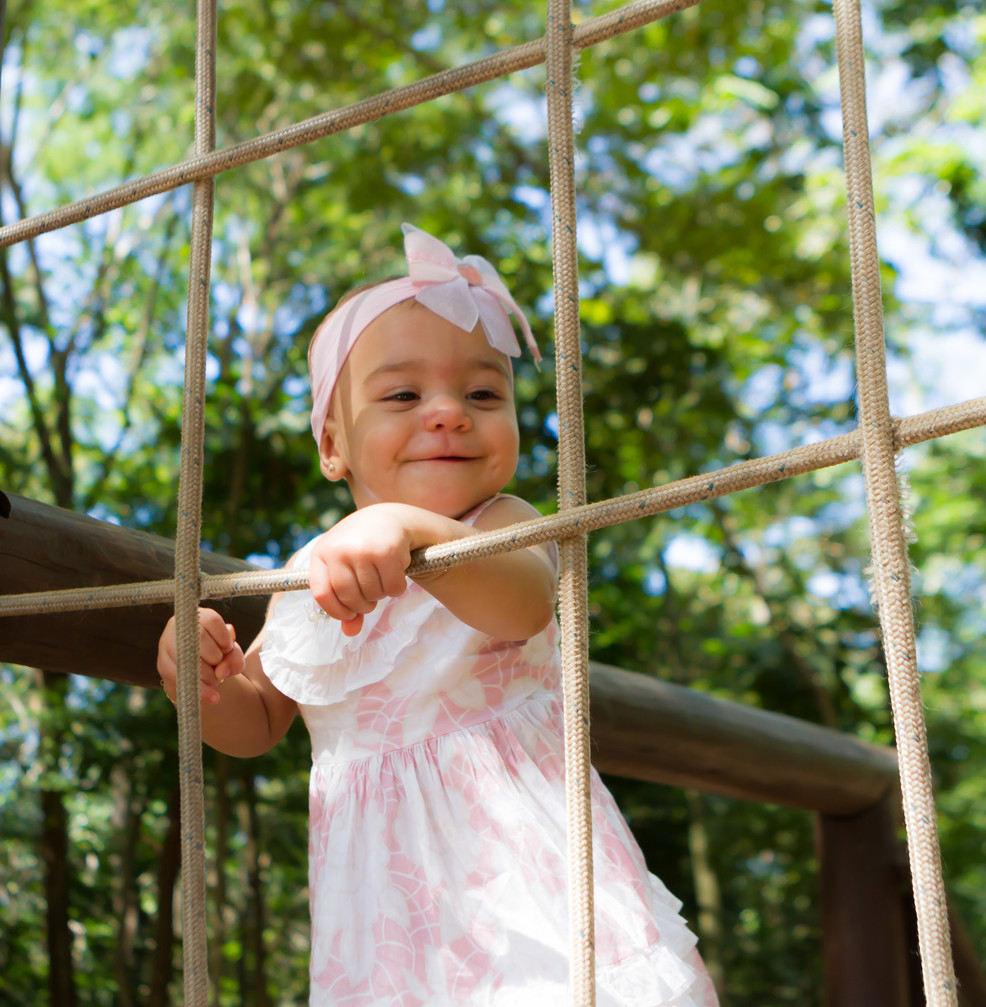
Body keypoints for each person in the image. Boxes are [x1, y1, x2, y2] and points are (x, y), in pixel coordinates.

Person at [157, 223, 719, 1006]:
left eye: (483, 393)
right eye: (403, 395)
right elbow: (259, 722)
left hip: (526, 876)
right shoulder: (310, 573)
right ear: (332, 443)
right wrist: (203, 677)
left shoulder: (504, 523)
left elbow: (521, 603)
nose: (450, 413)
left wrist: (412, 529)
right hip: (384, 912)